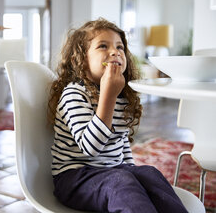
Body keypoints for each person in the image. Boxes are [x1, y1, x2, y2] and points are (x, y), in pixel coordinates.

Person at [48, 18, 187, 213]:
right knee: (121, 182)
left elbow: (121, 144)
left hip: (113, 172)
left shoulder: (120, 95)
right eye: (103, 46)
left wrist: (134, 171)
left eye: (120, 47)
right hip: (75, 178)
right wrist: (108, 96)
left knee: (149, 173)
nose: (115, 52)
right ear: (79, 60)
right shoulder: (74, 94)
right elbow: (90, 148)